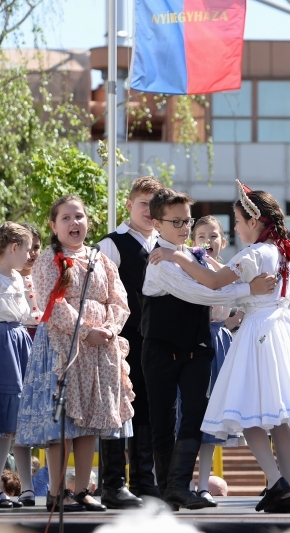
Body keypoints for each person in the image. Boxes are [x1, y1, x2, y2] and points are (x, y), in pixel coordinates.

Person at [148, 180, 290, 514]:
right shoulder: (281, 250)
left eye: (239, 222)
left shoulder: (253, 253)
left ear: (254, 222)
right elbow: (231, 276)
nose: (237, 229)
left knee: (249, 413)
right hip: (283, 329)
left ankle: (277, 481)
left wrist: (177, 257)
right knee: (279, 418)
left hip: (259, 331)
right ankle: (286, 488)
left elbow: (215, 283)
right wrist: (201, 258)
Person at [141, 187, 277, 511]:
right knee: (163, 421)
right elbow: (200, 293)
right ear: (157, 224)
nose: (185, 228)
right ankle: (169, 489)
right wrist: (249, 288)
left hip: (197, 349)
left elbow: (217, 280)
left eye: (187, 221)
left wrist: (244, 287)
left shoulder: (193, 255)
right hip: (160, 349)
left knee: (195, 417)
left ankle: (180, 486)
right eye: (177, 222)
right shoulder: (160, 260)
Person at [15, 194, 133, 513]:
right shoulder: (47, 261)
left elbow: (119, 300)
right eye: (66, 218)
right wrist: (86, 331)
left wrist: (109, 328)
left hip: (99, 351)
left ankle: (81, 490)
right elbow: (53, 304)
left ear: (88, 222)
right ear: (54, 226)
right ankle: (56, 492)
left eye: (78, 216)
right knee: (63, 426)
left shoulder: (101, 260)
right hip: (61, 348)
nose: (74, 223)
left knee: (88, 425)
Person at [96, 176, 163, 508]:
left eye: (155, 205)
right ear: (129, 205)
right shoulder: (112, 243)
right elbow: (99, 294)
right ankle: (112, 483)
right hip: (122, 341)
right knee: (118, 412)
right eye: (143, 204)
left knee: (150, 411)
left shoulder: (168, 245)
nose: (149, 212)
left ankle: (144, 480)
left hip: (159, 342)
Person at [183, 215, 244, 507]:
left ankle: (204, 482)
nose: (208, 242)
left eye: (215, 236)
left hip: (219, 342)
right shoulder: (189, 266)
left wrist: (237, 319)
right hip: (192, 341)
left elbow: (232, 311)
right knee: (186, 414)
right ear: (193, 240)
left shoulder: (229, 270)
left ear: (223, 240)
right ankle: (178, 480)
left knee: (211, 418)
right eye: (202, 236)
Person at [0, 222, 33, 509]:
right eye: (25, 249)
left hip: (17, 342)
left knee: (9, 423)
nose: (28, 255)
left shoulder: (18, 279)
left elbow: (24, 313)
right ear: (13, 248)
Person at [12, 222, 42, 507]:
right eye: (26, 248)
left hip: (44, 343)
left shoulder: (46, 274)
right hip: (19, 345)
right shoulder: (6, 277)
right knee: (19, 420)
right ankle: (27, 486)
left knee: (47, 415)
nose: (31, 254)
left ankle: (54, 484)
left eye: (36, 248)